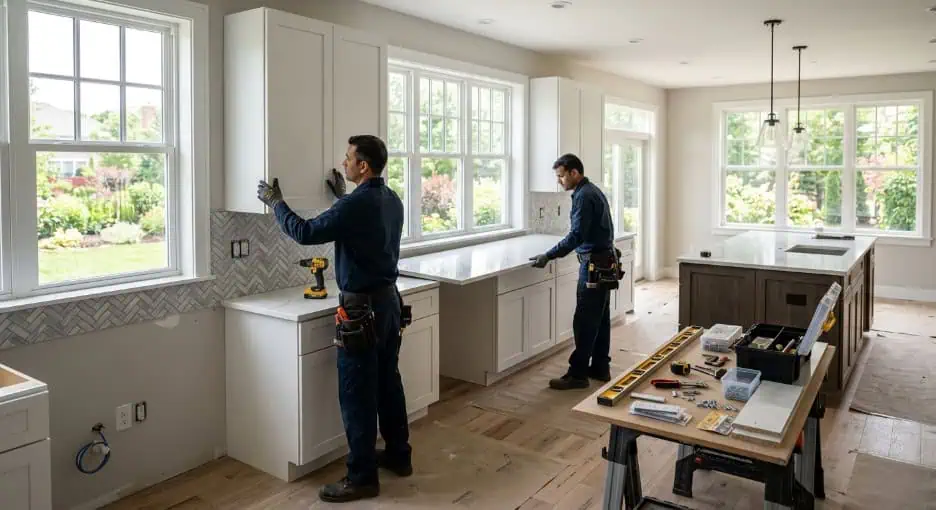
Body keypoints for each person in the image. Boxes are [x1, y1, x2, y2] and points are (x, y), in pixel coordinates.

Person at [257, 135, 412, 503]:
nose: (343, 163)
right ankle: (398, 456)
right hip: (389, 304)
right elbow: (364, 223)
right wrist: (343, 197)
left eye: (348, 159)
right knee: (388, 385)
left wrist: (277, 203)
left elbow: (305, 232)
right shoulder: (391, 198)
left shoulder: (357, 204)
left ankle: (361, 478)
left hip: (361, 311)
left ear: (363, 166)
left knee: (357, 395)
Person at [529, 153, 616, 390]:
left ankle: (578, 374)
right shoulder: (591, 191)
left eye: (561, 176)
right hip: (605, 261)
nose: (559, 181)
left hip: (594, 264)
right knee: (600, 318)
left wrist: (549, 255)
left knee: (585, 319)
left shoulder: (584, 196)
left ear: (574, 173)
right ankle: (600, 367)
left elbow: (577, 236)